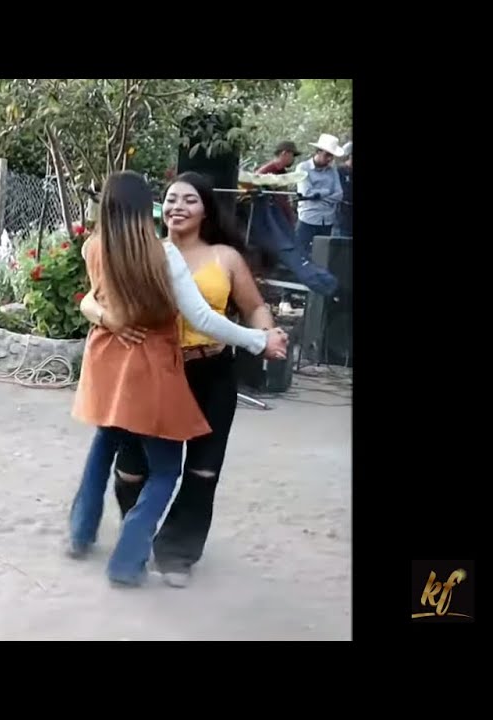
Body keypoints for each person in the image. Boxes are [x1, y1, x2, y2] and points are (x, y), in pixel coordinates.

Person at [67, 171, 287, 587]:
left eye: (189, 199)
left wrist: (265, 333)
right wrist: (106, 315)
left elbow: (248, 307)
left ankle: (165, 552)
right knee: (142, 468)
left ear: (207, 210)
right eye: (170, 198)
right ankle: (135, 550)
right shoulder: (153, 253)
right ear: (152, 206)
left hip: (194, 369)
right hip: (157, 369)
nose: (177, 206)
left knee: (189, 466)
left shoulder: (221, 256)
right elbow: (97, 299)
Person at [295, 133, 344, 256]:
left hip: (327, 220)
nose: (329, 159)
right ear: (318, 151)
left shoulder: (332, 170)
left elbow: (339, 194)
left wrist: (319, 195)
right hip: (308, 218)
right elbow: (306, 193)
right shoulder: (303, 168)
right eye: (327, 155)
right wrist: (327, 192)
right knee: (302, 254)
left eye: (331, 156)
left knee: (322, 256)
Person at [255, 140, 301, 225]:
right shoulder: (266, 170)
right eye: (292, 155)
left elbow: (284, 198)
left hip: (280, 217)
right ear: (284, 153)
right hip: (269, 219)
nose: (293, 159)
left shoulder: (282, 172)